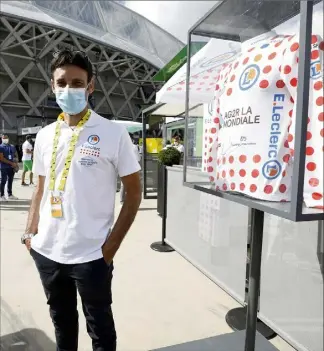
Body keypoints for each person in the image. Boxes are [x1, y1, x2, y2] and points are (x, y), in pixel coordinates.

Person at [22, 49, 141, 351]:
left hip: (92, 254)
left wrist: (110, 247)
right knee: (62, 321)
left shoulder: (113, 134)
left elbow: (134, 193)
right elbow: (40, 186)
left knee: (99, 327)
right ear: (52, 86)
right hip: (47, 251)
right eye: (61, 83)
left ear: (90, 87)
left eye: (77, 82)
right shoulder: (46, 135)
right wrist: (30, 231)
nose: (68, 89)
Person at [120, 137, 141, 205]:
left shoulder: (121, 147)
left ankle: (122, 201)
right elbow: (138, 158)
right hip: (132, 168)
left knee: (123, 185)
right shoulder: (134, 147)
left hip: (123, 167)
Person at [0, 134, 18, 201]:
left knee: (10, 180)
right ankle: (2, 195)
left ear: (8, 138)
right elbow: (1, 158)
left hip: (11, 167)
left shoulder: (12, 146)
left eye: (6, 138)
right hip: (4, 167)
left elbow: (15, 155)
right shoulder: (1, 147)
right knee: (3, 181)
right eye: (4, 138)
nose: (5, 139)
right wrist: (11, 163)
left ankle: (10, 194)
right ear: (2, 139)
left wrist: (16, 163)